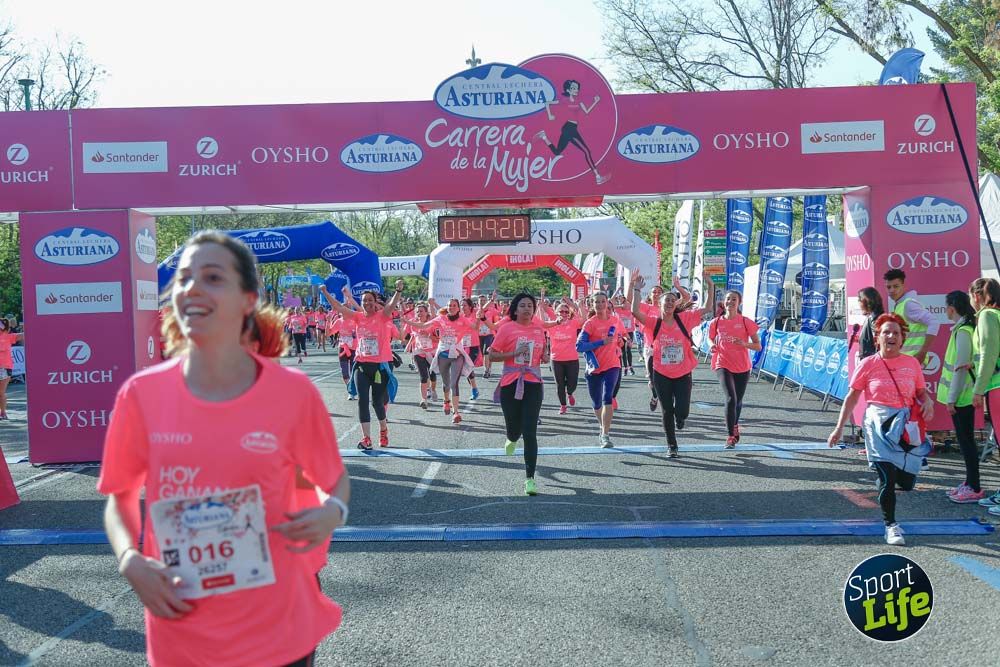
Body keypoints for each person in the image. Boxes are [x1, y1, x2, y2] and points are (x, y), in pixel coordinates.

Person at [98, 231, 350, 666]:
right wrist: (129, 558)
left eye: (213, 277)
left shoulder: (293, 393)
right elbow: (119, 496)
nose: (193, 287)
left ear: (248, 299)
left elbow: (335, 480)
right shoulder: (140, 394)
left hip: (279, 625)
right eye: (184, 278)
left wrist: (333, 512)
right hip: (182, 626)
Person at [827, 313, 933, 546]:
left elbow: (920, 392)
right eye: (886, 332)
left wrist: (927, 402)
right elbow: (852, 397)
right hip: (877, 425)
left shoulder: (912, 363)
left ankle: (887, 481)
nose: (891, 336)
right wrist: (839, 428)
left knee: (906, 483)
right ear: (878, 338)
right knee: (887, 477)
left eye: (896, 333)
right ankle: (891, 526)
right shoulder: (868, 364)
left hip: (904, 426)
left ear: (902, 338)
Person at [631, 270, 714, 457]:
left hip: (683, 372)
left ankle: (681, 418)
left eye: (672, 300)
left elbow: (708, 308)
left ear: (675, 304)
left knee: (682, 411)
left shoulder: (685, 318)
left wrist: (710, 285)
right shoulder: (654, 322)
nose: (669, 303)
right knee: (667, 409)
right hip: (661, 372)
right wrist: (636, 289)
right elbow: (635, 311)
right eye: (665, 301)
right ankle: (672, 445)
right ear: (659, 305)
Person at [321, 281, 404, 450]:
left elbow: (391, 305)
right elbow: (338, 307)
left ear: (375, 302)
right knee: (362, 401)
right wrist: (325, 292)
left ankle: (383, 430)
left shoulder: (382, 316)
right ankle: (366, 438)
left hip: (380, 367)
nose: (367, 303)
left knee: (377, 403)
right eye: (364, 300)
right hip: (361, 364)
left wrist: (398, 290)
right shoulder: (358, 317)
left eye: (370, 300)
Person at [488, 293, 549, 496]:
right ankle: (511, 437)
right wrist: (513, 354)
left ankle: (530, 479)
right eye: (522, 305)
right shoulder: (506, 328)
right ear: (515, 309)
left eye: (530, 305)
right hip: (511, 383)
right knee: (514, 429)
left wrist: (545, 355)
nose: (527, 309)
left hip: (533, 382)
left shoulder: (538, 329)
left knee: (530, 431)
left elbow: (542, 353)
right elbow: (492, 355)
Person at [937, 291, 982, 503]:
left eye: (946, 307)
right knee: (965, 442)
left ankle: (974, 487)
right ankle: (969, 482)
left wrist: (952, 398)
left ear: (952, 308)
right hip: (962, 396)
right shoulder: (961, 329)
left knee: (967, 443)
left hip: (962, 397)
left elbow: (961, 368)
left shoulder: (963, 331)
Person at [403, 298, 476, 425]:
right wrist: (407, 321)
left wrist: (480, 318)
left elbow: (475, 327)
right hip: (443, 354)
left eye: (454, 305)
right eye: (449, 305)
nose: (451, 307)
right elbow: (423, 325)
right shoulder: (441, 318)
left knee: (454, 383)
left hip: (457, 354)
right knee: (446, 383)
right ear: (447, 307)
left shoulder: (463, 319)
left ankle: (456, 412)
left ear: (458, 308)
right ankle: (446, 401)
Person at [708, 290, 762, 448]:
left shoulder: (745, 322)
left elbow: (758, 346)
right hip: (722, 363)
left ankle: (735, 424)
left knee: (737, 400)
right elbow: (710, 338)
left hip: (742, 366)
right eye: (728, 299)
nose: (730, 302)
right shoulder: (716, 322)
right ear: (723, 302)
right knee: (730, 398)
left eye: (734, 299)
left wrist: (744, 344)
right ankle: (730, 435)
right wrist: (711, 345)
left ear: (739, 303)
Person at [535, 79, 609, 184]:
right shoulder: (564, 100)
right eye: (573, 88)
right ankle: (598, 177)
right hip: (568, 129)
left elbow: (587, 111)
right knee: (587, 151)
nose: (576, 90)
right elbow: (548, 103)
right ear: (568, 90)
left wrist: (595, 102)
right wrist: (550, 115)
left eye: (577, 88)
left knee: (557, 152)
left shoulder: (579, 101)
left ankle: (544, 137)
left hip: (572, 128)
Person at [576, 292, 623, 448]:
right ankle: (602, 427)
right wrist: (601, 342)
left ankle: (605, 435)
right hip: (594, 368)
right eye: (597, 302)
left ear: (607, 303)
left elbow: (619, 338)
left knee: (607, 397)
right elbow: (579, 346)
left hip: (612, 365)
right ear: (592, 304)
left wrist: (620, 341)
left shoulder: (615, 320)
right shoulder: (590, 324)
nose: (600, 305)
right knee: (597, 403)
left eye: (603, 301)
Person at [969, 278, 1000, 514]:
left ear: (977, 296)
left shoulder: (987, 315)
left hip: (996, 385)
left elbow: (989, 352)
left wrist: (978, 389)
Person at [884, 269, 939, 365]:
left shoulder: (908, 304)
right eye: (889, 287)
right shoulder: (899, 305)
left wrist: (922, 352)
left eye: (896, 286)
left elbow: (934, 322)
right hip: (906, 359)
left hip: (912, 360)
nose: (892, 290)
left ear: (903, 286)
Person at [544, 298, 583, 414]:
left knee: (573, 383)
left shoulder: (573, 323)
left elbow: (584, 319)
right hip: (556, 359)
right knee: (559, 384)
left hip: (572, 358)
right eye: (561, 311)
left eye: (566, 311)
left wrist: (576, 305)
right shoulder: (551, 324)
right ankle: (563, 405)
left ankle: (569, 393)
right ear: (556, 312)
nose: (564, 313)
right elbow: (541, 323)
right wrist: (541, 306)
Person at [405, 302, 439, 410]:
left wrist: (428, 335)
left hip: (431, 352)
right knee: (423, 376)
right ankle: (424, 399)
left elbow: (438, 339)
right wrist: (409, 345)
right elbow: (414, 336)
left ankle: (433, 389)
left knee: (432, 374)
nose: (419, 313)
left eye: (421, 311)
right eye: (417, 312)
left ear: (426, 312)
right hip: (418, 352)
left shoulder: (432, 323)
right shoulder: (414, 324)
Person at [0, 319, 23, 420]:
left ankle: (3, 413)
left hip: (4, 367)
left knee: (1, 392)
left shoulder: (8, 337)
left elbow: (23, 335)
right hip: (5, 367)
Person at [854, 286, 885, 361]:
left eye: (859, 300)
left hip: (871, 362)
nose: (858, 304)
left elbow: (878, 344)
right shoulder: (873, 317)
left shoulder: (874, 319)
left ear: (866, 301)